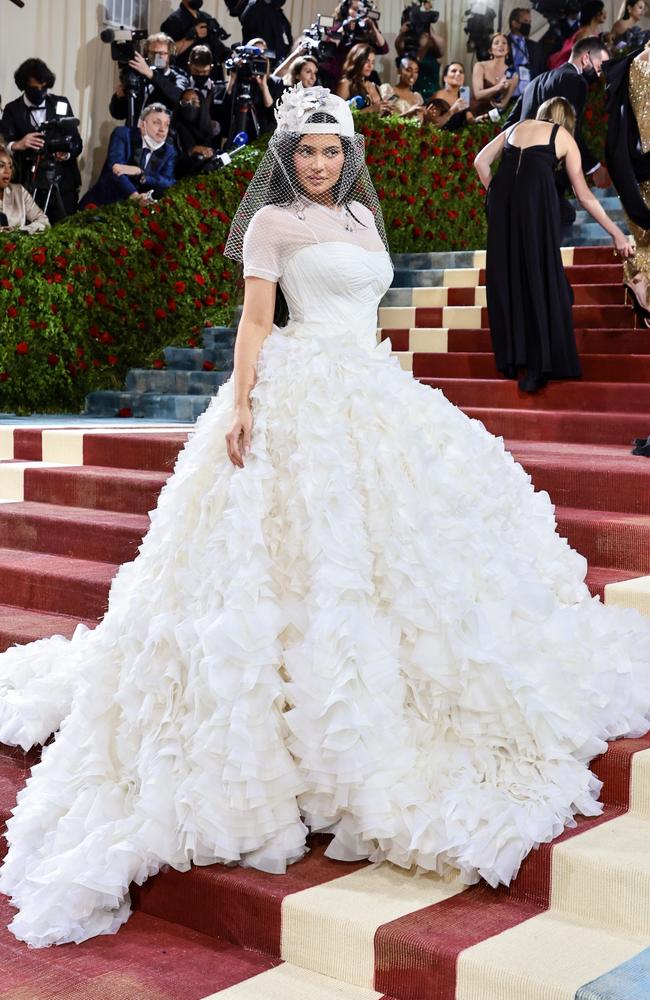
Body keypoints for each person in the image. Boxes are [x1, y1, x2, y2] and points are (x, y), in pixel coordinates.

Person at [1, 83, 650, 951]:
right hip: (297, 395)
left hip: (372, 391)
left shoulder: (364, 223)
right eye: (304, 151)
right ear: (286, 155)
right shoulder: (272, 225)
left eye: (330, 151)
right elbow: (255, 321)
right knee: (306, 558)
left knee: (414, 557)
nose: (317, 163)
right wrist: (240, 406)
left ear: (349, 155)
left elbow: (365, 312)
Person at [476, 97, 632, 393]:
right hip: (535, 210)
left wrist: (498, 196)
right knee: (539, 275)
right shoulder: (562, 136)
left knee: (510, 278)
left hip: (503, 211)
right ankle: (539, 365)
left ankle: (514, 359)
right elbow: (584, 194)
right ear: (566, 120)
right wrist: (617, 233)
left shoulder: (517, 126)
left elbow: (480, 162)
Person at [505, 35, 612, 221]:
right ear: (586, 58)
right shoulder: (576, 81)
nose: (600, 73)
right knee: (562, 219)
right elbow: (570, 132)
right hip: (548, 176)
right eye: (599, 66)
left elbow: (509, 127)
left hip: (518, 176)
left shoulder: (534, 82)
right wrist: (594, 167)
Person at [0, 58, 82, 222]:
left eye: (44, 87)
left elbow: (77, 142)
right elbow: (3, 143)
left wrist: (65, 154)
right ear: (24, 85)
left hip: (62, 181)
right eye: (34, 88)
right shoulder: (12, 109)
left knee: (66, 229)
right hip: (28, 183)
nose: (40, 91)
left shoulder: (61, 103)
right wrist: (18, 144)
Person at [604, 43, 650, 326]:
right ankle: (642, 284)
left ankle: (641, 282)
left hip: (633, 164)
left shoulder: (629, 65)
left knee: (645, 234)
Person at [79, 104, 176, 208]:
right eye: (157, 123)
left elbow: (168, 181)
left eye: (166, 125)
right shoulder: (123, 134)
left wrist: (141, 174)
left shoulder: (168, 151)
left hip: (138, 210)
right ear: (142, 125)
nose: (163, 129)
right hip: (105, 203)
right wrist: (135, 196)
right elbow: (115, 169)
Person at [109, 34, 187, 123]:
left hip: (162, 133)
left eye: (162, 53)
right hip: (135, 132)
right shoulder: (137, 76)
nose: (158, 57)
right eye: (153, 53)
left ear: (170, 55)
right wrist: (119, 98)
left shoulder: (178, 76)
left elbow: (178, 96)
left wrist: (151, 75)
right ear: (146, 54)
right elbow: (118, 114)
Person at [319, 1, 389, 91]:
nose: (359, 13)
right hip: (340, 76)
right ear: (345, 9)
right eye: (355, 9)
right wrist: (344, 28)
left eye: (362, 10)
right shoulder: (339, 26)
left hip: (360, 78)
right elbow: (329, 49)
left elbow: (384, 49)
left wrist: (373, 27)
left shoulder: (366, 30)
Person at [160, 0, 232, 75]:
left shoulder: (206, 17)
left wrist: (228, 56)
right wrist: (193, 36)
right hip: (185, 75)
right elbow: (168, 52)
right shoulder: (173, 21)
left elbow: (215, 43)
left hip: (211, 76)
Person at [395, 11, 444, 101]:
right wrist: (402, 33)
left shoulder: (434, 51)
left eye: (424, 36)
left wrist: (429, 28)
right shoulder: (410, 51)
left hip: (434, 97)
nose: (419, 38)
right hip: (414, 96)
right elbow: (398, 47)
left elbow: (442, 46)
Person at [0, 145, 49, 234]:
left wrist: (20, 232)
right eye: (1, 166)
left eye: (10, 166)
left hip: (16, 246)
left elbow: (44, 221)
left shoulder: (19, 191)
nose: (7, 171)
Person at [548, 1, 608, 70]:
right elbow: (579, 59)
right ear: (596, 13)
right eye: (603, 10)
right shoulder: (585, 34)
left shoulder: (592, 33)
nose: (605, 13)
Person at [471, 33, 519, 117]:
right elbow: (478, 95)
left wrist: (502, 102)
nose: (501, 45)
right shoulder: (480, 66)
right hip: (477, 113)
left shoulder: (513, 74)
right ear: (490, 50)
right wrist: (498, 87)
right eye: (496, 43)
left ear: (507, 50)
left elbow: (504, 103)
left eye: (504, 43)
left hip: (496, 116)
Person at [170, 89, 216, 177]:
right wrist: (191, 151)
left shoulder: (208, 129)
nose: (189, 105)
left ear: (201, 105)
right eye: (184, 102)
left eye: (194, 102)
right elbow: (171, 163)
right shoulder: (173, 129)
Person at [335, 43, 392, 113]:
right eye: (366, 61)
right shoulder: (346, 83)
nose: (370, 66)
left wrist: (385, 109)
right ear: (356, 60)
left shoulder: (373, 85)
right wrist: (370, 109)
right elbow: (338, 114)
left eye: (373, 62)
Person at [508, 7, 545, 98]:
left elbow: (541, 70)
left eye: (529, 22)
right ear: (514, 23)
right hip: (509, 94)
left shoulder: (535, 46)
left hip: (530, 94)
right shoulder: (502, 43)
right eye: (525, 21)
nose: (528, 25)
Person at [431, 62, 475, 130]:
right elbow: (433, 125)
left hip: (461, 138)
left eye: (461, 72)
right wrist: (452, 111)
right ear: (444, 78)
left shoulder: (463, 95)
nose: (458, 74)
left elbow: (470, 119)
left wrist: (480, 119)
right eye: (454, 71)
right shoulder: (439, 96)